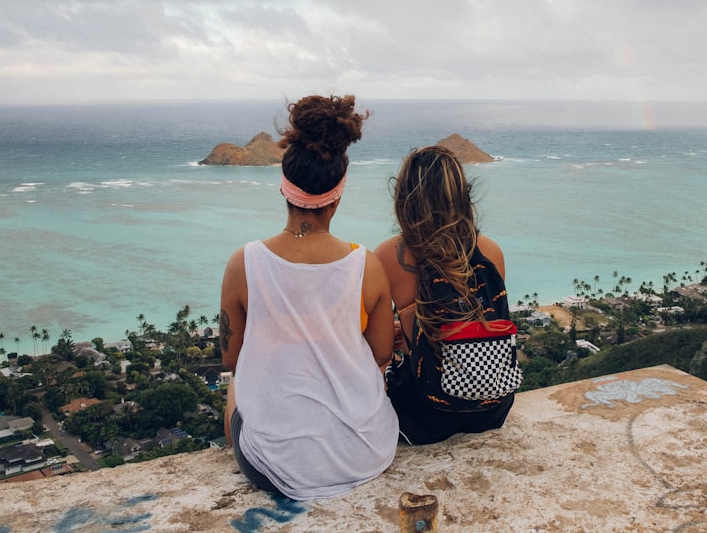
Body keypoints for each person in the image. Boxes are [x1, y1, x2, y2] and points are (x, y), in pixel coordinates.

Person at [219, 94, 398, 500]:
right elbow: (382, 354)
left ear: (284, 188)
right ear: (338, 194)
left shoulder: (242, 263)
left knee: (236, 381)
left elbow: (231, 357)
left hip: (274, 468)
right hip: (365, 452)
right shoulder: (366, 265)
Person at [375, 145, 516, 445]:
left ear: (404, 200)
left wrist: (402, 330)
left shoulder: (389, 255)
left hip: (427, 413)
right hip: (492, 408)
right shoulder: (491, 251)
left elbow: (378, 348)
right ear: (463, 196)